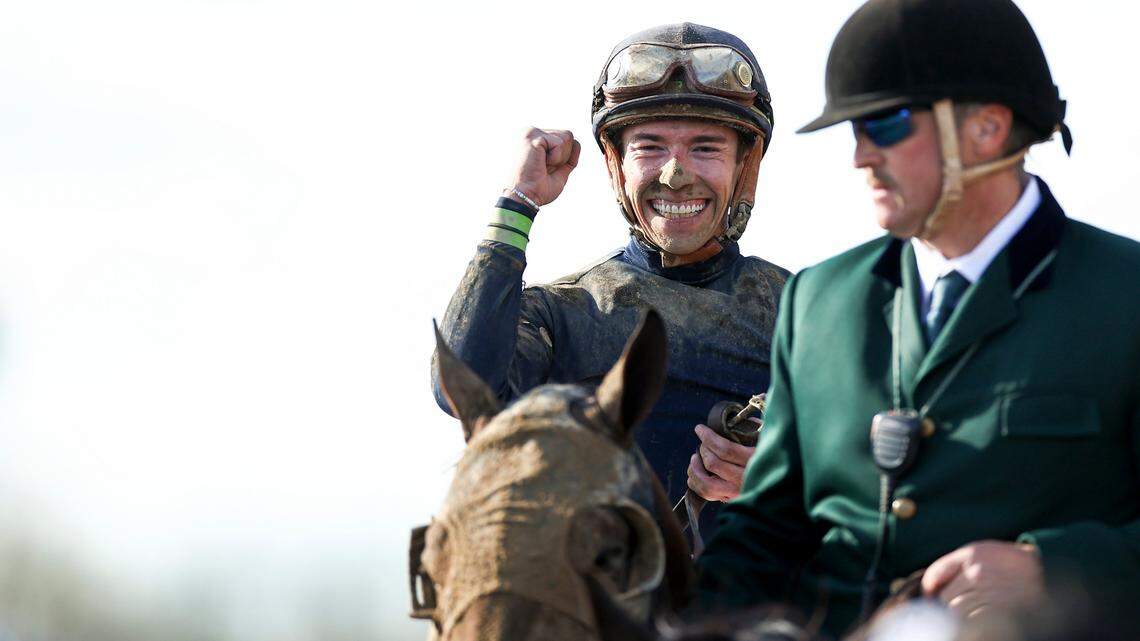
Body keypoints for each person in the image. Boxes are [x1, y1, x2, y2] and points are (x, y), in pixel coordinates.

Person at [696, 0, 1140, 636]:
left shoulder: (1125, 295)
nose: (861, 157)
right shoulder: (819, 301)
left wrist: (1057, 568)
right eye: (855, 130)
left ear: (987, 129)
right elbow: (765, 531)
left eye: (886, 124)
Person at [431, 23, 789, 535]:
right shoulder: (562, 312)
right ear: (616, 164)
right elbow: (464, 390)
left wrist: (784, 476)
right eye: (650, 148)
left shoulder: (807, 313)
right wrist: (517, 203)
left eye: (706, 148)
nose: (675, 174)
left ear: (744, 164)